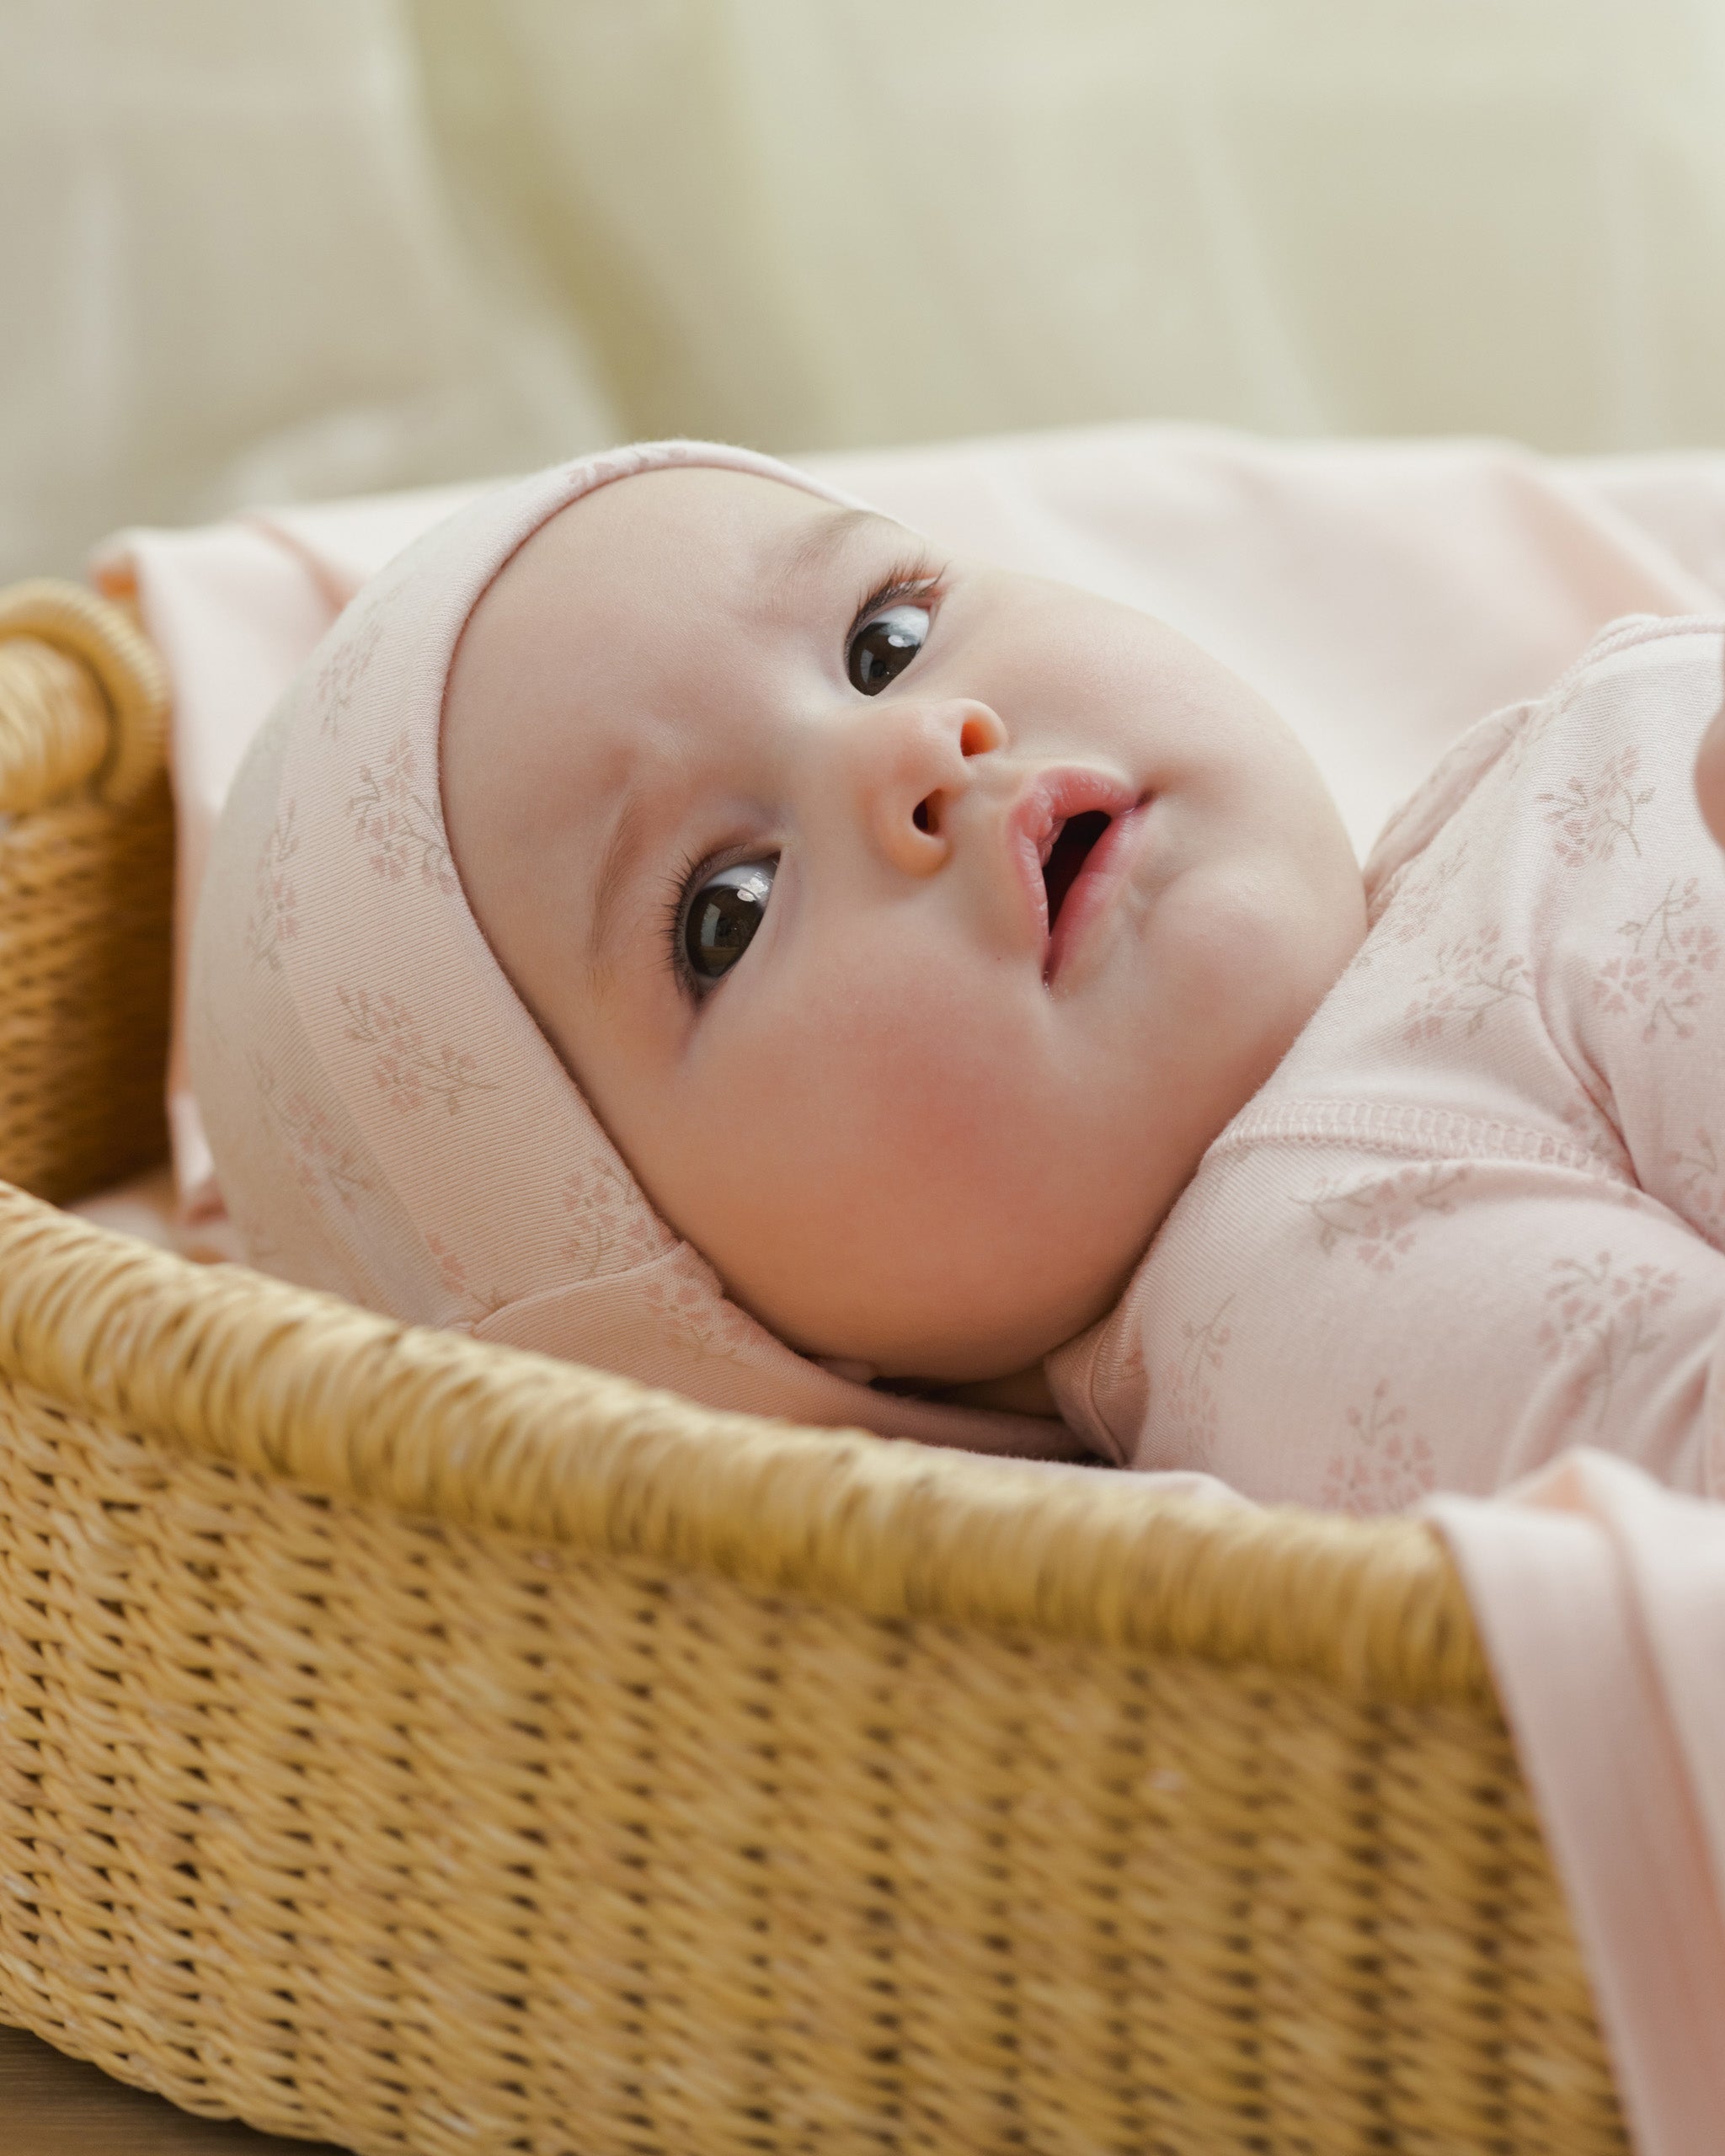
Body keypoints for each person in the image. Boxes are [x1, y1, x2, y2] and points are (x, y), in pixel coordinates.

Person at [189, 441, 1725, 1505]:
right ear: (727, 1337)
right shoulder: (1313, 1290)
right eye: (726, 907)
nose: (916, 746)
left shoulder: (1459, 859)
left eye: (885, 636)